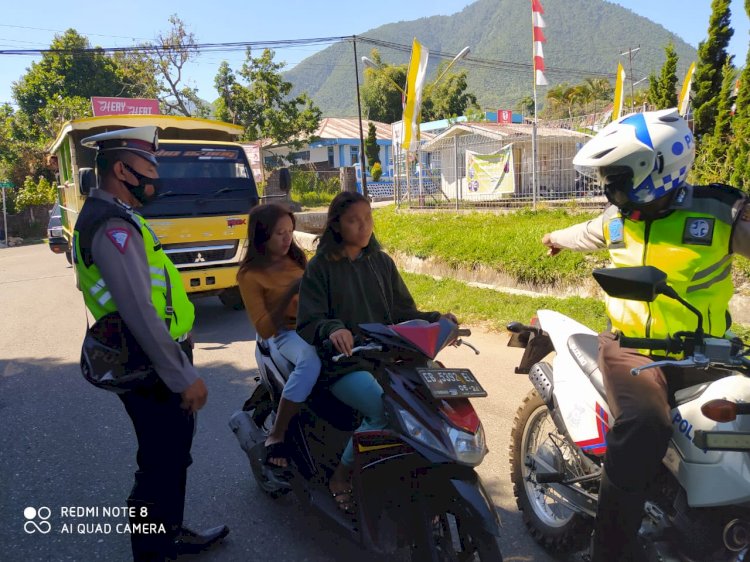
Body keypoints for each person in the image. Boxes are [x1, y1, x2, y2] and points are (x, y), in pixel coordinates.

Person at [542, 108, 750, 561]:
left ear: (654, 169)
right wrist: (556, 236)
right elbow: (587, 232)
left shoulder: (721, 212)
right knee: (643, 426)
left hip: (709, 353)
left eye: (615, 176)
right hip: (634, 351)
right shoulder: (619, 218)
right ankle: (611, 550)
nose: (608, 188)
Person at [73, 126, 228, 561]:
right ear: (121, 169)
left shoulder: (118, 216)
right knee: (160, 464)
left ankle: (169, 534)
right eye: (149, 167)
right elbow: (139, 310)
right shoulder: (112, 226)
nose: (156, 177)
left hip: (157, 358)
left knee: (172, 457)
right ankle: (153, 551)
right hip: (150, 366)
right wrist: (182, 375)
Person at [296, 191, 457, 513]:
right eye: (354, 220)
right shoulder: (320, 268)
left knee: (433, 400)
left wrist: (436, 320)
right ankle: (341, 477)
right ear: (336, 226)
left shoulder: (381, 262)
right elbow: (310, 320)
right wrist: (333, 329)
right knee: (384, 411)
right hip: (345, 362)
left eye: (367, 218)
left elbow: (402, 311)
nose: (363, 226)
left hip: (388, 354)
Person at [237, 203, 321, 468]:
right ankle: (278, 435)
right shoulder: (250, 275)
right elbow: (264, 328)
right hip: (285, 334)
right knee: (310, 361)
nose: (287, 238)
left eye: (290, 231)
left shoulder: (296, 259)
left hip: (315, 325)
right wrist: (290, 292)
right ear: (262, 236)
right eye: (279, 233)